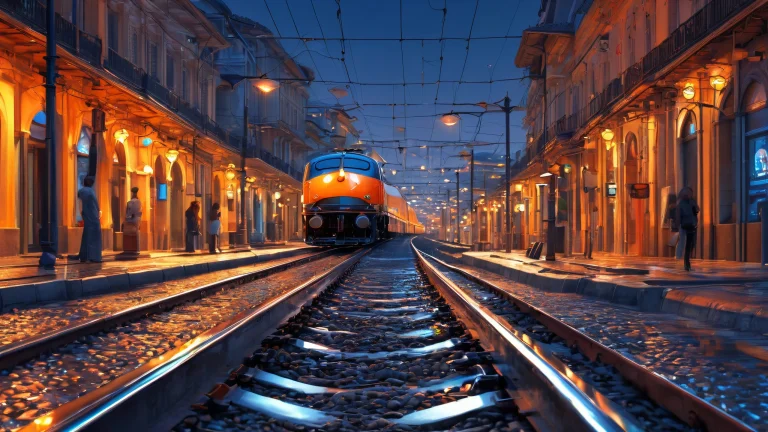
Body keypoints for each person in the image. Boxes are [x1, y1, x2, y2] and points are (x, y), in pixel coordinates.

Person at [77, 176, 102, 262]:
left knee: (87, 234)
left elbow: (80, 204)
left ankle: (84, 255)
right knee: (93, 236)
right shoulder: (91, 192)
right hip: (93, 216)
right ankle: (93, 256)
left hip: (87, 215)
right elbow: (96, 205)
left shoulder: (81, 191)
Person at [675, 187, 700, 271]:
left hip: (692, 225)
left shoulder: (692, 202)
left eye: (689, 194)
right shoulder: (680, 204)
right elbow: (678, 215)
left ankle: (687, 261)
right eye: (686, 194)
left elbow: (697, 210)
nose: (688, 195)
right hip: (684, 225)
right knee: (684, 242)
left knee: (690, 244)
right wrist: (678, 224)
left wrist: (694, 207)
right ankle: (685, 261)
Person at [665, 193, 682, 259]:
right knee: (678, 241)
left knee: (677, 242)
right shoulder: (676, 208)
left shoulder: (671, 208)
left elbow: (668, 217)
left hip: (676, 227)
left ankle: (677, 255)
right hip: (677, 226)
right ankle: (677, 255)